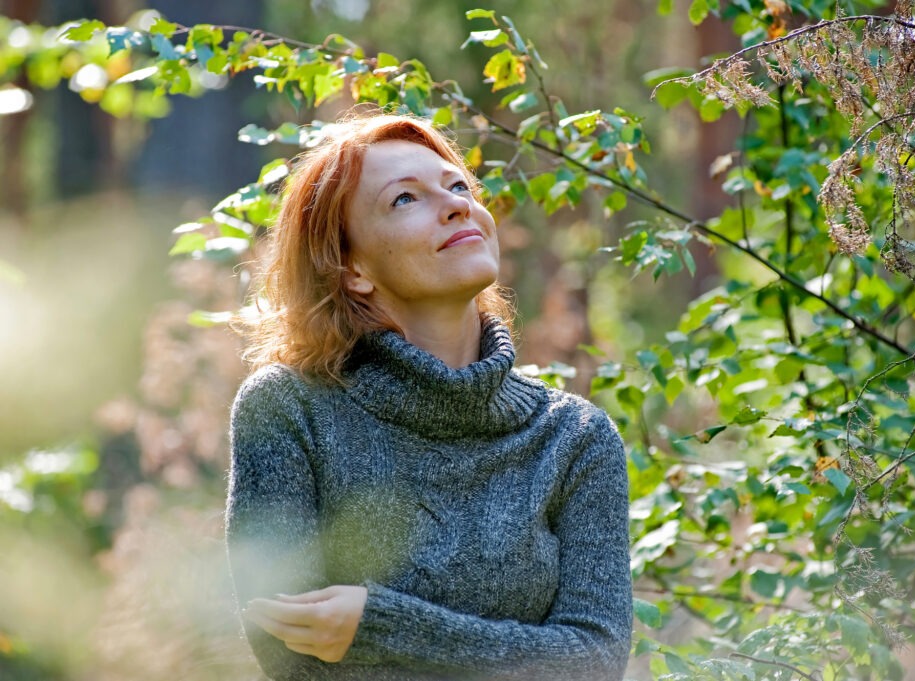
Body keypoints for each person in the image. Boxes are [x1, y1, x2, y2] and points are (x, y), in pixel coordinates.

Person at [225, 112, 633, 681]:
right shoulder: (288, 409)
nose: (456, 204)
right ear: (353, 270)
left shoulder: (576, 437)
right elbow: (288, 650)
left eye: (458, 185)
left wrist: (380, 627)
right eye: (404, 199)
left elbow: (595, 660)